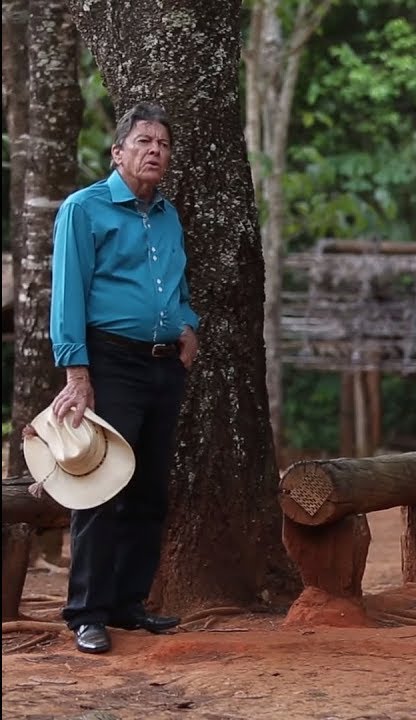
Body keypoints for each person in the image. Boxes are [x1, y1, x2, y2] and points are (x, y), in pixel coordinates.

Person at [44, 101, 200, 654]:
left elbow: (177, 286)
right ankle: (87, 612)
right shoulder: (83, 210)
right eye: (144, 141)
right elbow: (67, 295)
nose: (155, 150)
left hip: (163, 364)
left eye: (163, 143)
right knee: (99, 488)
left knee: (149, 490)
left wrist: (189, 326)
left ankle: (129, 603)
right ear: (118, 152)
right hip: (109, 362)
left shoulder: (168, 215)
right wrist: (77, 372)